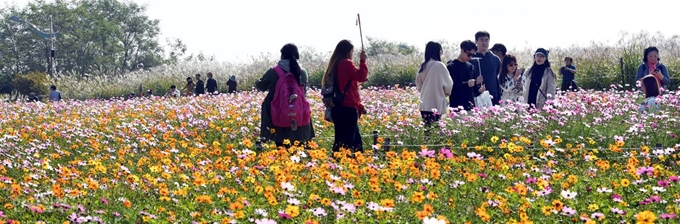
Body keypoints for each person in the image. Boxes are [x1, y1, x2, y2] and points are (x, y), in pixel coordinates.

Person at [255, 43, 315, 148]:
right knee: (298, 146)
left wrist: (258, 81)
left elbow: (261, 86)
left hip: (277, 113)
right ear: (297, 55)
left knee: (281, 145)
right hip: (298, 113)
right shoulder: (303, 72)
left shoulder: (273, 71)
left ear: (282, 55)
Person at [320, 40, 368, 153]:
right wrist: (363, 60)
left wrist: (360, 106)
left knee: (346, 140)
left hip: (337, 108)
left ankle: (342, 163)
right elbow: (361, 76)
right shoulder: (346, 63)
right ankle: (343, 165)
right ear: (348, 52)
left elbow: (346, 88)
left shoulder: (334, 65)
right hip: (348, 109)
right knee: (349, 144)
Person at [415, 41, 453, 130]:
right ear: (438, 52)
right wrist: (445, 93)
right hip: (436, 103)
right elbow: (449, 85)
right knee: (436, 130)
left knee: (427, 130)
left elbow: (419, 87)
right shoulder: (439, 66)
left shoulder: (422, 67)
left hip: (424, 104)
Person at [447, 40, 482, 112]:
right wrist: (467, 84)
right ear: (462, 51)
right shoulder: (451, 67)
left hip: (470, 106)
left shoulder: (471, 67)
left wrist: (479, 90)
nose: (471, 57)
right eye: (469, 54)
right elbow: (451, 88)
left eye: (473, 55)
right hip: (456, 107)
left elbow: (473, 89)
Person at [471, 31, 502, 105]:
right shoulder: (471, 59)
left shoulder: (495, 59)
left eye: (486, 40)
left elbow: (500, 78)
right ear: (476, 41)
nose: (484, 43)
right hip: (477, 97)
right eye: (481, 40)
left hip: (494, 97)